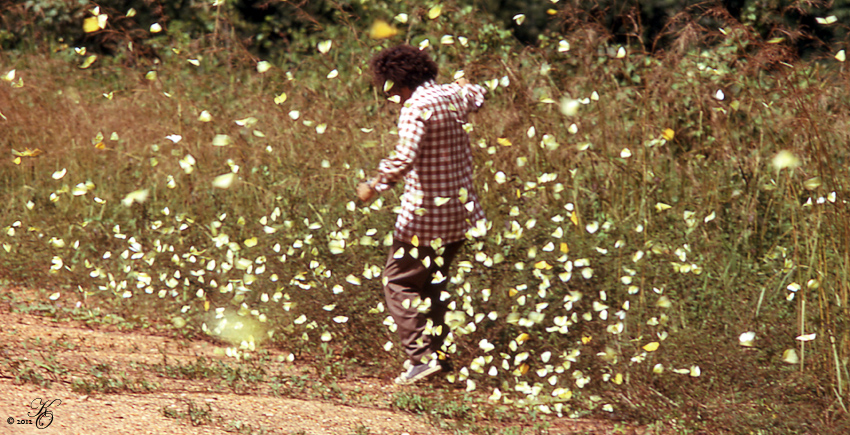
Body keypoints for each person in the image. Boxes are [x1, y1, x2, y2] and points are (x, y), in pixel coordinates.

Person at [357, 45, 487, 385]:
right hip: (460, 215)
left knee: (398, 281)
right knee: (434, 287)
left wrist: (374, 184)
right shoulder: (453, 96)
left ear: (399, 83)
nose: (391, 98)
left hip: (424, 217)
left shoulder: (415, 108)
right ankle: (441, 359)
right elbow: (477, 93)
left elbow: (405, 157)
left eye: (390, 90)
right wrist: (465, 81)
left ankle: (422, 358)